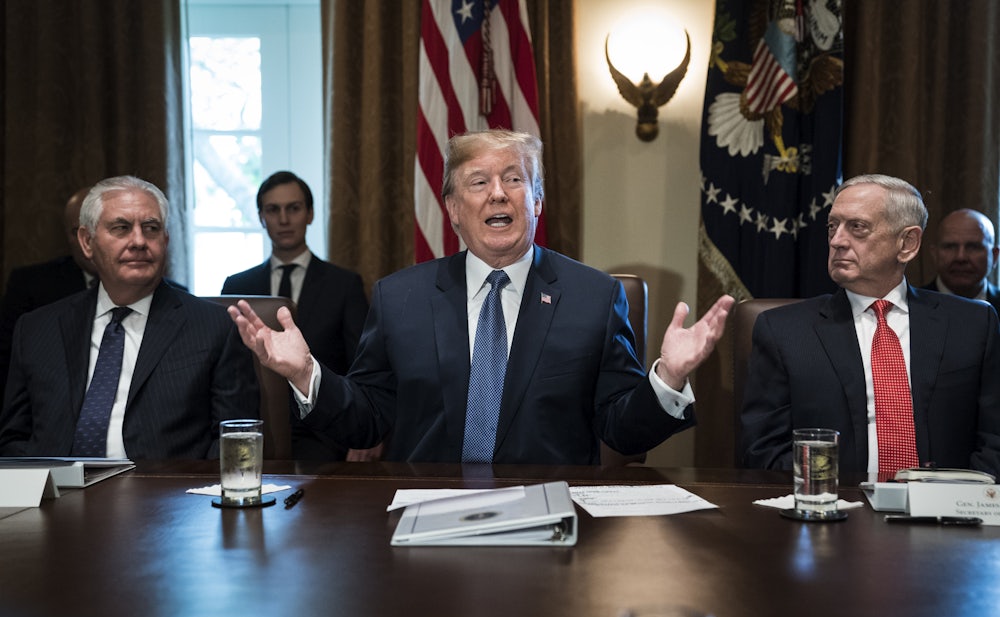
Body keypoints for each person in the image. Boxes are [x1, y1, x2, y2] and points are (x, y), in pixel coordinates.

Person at [228, 129, 734, 465]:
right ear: (451, 207)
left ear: (536, 201)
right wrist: (305, 374)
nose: (498, 194)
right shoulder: (399, 297)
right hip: (425, 513)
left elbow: (622, 431)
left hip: (551, 514)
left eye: (514, 179)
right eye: (478, 182)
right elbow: (367, 422)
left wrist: (668, 377)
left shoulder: (594, 297)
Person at [741, 174, 1000, 478]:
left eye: (857, 227)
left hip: (948, 514)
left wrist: (961, 506)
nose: (837, 241)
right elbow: (764, 450)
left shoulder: (972, 324)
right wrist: (830, 501)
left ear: (907, 243)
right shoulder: (784, 331)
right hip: (835, 510)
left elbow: (994, 439)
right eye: (832, 226)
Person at [0, 176, 258, 459]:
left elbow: (235, 441)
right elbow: (13, 439)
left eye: (151, 229)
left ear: (165, 240)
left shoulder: (214, 328)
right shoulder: (37, 330)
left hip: (164, 496)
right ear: (87, 242)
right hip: (59, 496)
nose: (138, 241)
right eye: (121, 228)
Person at [221, 171, 370, 459]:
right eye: (273, 210)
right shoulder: (236, 287)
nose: (284, 219)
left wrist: (364, 432)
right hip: (252, 430)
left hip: (327, 434)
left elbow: (361, 364)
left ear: (310, 214)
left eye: (294, 208)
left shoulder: (344, 284)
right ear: (261, 217)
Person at [0, 187, 97, 391]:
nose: (89, 242)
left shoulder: (164, 293)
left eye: (99, 229)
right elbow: (9, 363)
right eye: (78, 232)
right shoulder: (31, 285)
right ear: (68, 238)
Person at [921, 208, 1000, 311]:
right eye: (950, 246)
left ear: (994, 256)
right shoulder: (909, 307)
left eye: (973, 247)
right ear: (935, 254)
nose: (960, 257)